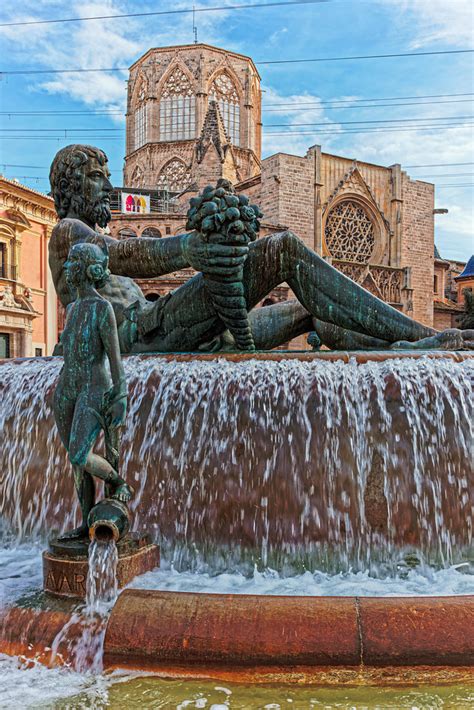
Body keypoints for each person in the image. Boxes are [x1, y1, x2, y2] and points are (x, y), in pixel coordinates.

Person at [49, 144, 473, 353]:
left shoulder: (83, 232)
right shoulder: (69, 232)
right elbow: (123, 255)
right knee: (282, 249)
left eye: (107, 176)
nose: (107, 186)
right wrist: (189, 248)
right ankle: (432, 338)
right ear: (70, 186)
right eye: (96, 177)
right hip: (151, 334)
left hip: (192, 337)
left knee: (312, 311)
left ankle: (405, 350)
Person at [53, 241, 132, 541]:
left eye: (73, 262)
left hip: (93, 388)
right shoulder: (72, 308)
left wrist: (121, 395)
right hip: (66, 390)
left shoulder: (103, 308)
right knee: (77, 467)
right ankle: (86, 522)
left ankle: (120, 482)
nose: (67, 267)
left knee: (79, 455)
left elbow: (114, 358)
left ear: (88, 269)